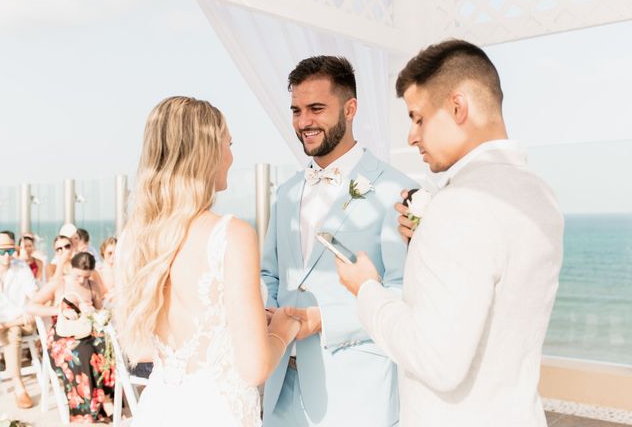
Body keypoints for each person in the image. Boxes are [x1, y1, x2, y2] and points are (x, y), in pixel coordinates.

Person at [336, 39, 564, 427]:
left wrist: (367, 290)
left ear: (458, 108)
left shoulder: (460, 205)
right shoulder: (541, 194)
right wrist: (424, 241)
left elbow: (436, 361)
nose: (411, 135)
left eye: (418, 118)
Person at [114, 96, 301, 426]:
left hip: (159, 409)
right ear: (206, 152)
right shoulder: (231, 234)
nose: (232, 156)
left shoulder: (134, 239)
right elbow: (254, 367)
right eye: (229, 143)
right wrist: (282, 330)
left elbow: (140, 349)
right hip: (216, 413)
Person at [261, 56, 415, 426]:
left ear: (350, 109)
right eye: (297, 110)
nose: (304, 122)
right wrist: (267, 310)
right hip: (281, 388)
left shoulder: (396, 190)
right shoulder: (285, 193)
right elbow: (270, 273)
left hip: (355, 395)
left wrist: (323, 320)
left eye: (316, 109)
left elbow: (404, 293)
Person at [27, 251, 114, 423]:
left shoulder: (92, 285)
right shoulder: (60, 283)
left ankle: (106, 400)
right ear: (71, 268)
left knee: (106, 346)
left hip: (87, 331)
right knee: (82, 352)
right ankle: (86, 411)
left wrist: (93, 307)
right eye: (78, 276)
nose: (82, 280)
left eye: (86, 276)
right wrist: (60, 311)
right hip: (62, 336)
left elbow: (100, 312)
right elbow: (31, 306)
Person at [0, 232, 38, 408]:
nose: (7, 256)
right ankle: (18, 385)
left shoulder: (21, 267)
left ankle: (18, 384)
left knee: (14, 331)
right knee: (11, 331)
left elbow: (34, 296)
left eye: (10, 251)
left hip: (22, 322)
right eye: (2, 252)